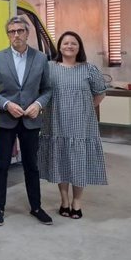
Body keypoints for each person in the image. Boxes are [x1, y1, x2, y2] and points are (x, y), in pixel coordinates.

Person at [0, 16, 52, 226]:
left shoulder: (40, 58)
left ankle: (36, 207)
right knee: (2, 165)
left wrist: (38, 105)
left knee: (31, 165)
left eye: (20, 31)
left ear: (27, 33)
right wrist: (6, 104)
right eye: (11, 32)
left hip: (31, 120)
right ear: (8, 35)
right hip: (6, 120)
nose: (16, 35)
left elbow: (47, 89)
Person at [38, 31, 107, 220]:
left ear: (79, 47)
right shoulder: (49, 67)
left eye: (73, 43)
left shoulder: (89, 69)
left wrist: (85, 108)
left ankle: (77, 201)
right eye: (66, 43)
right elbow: (41, 90)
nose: (69, 46)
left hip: (81, 124)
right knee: (61, 159)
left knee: (78, 161)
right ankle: (64, 200)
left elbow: (100, 92)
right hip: (55, 121)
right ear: (59, 46)